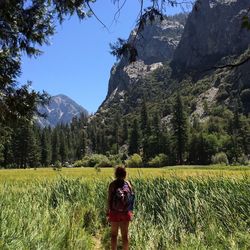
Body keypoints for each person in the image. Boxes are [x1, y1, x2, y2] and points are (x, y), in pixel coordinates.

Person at [106, 166, 135, 250]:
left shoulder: (112, 184)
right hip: (125, 213)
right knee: (125, 236)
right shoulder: (128, 184)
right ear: (125, 174)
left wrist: (107, 212)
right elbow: (131, 199)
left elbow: (109, 199)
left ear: (115, 174)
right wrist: (131, 211)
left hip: (114, 213)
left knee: (114, 235)